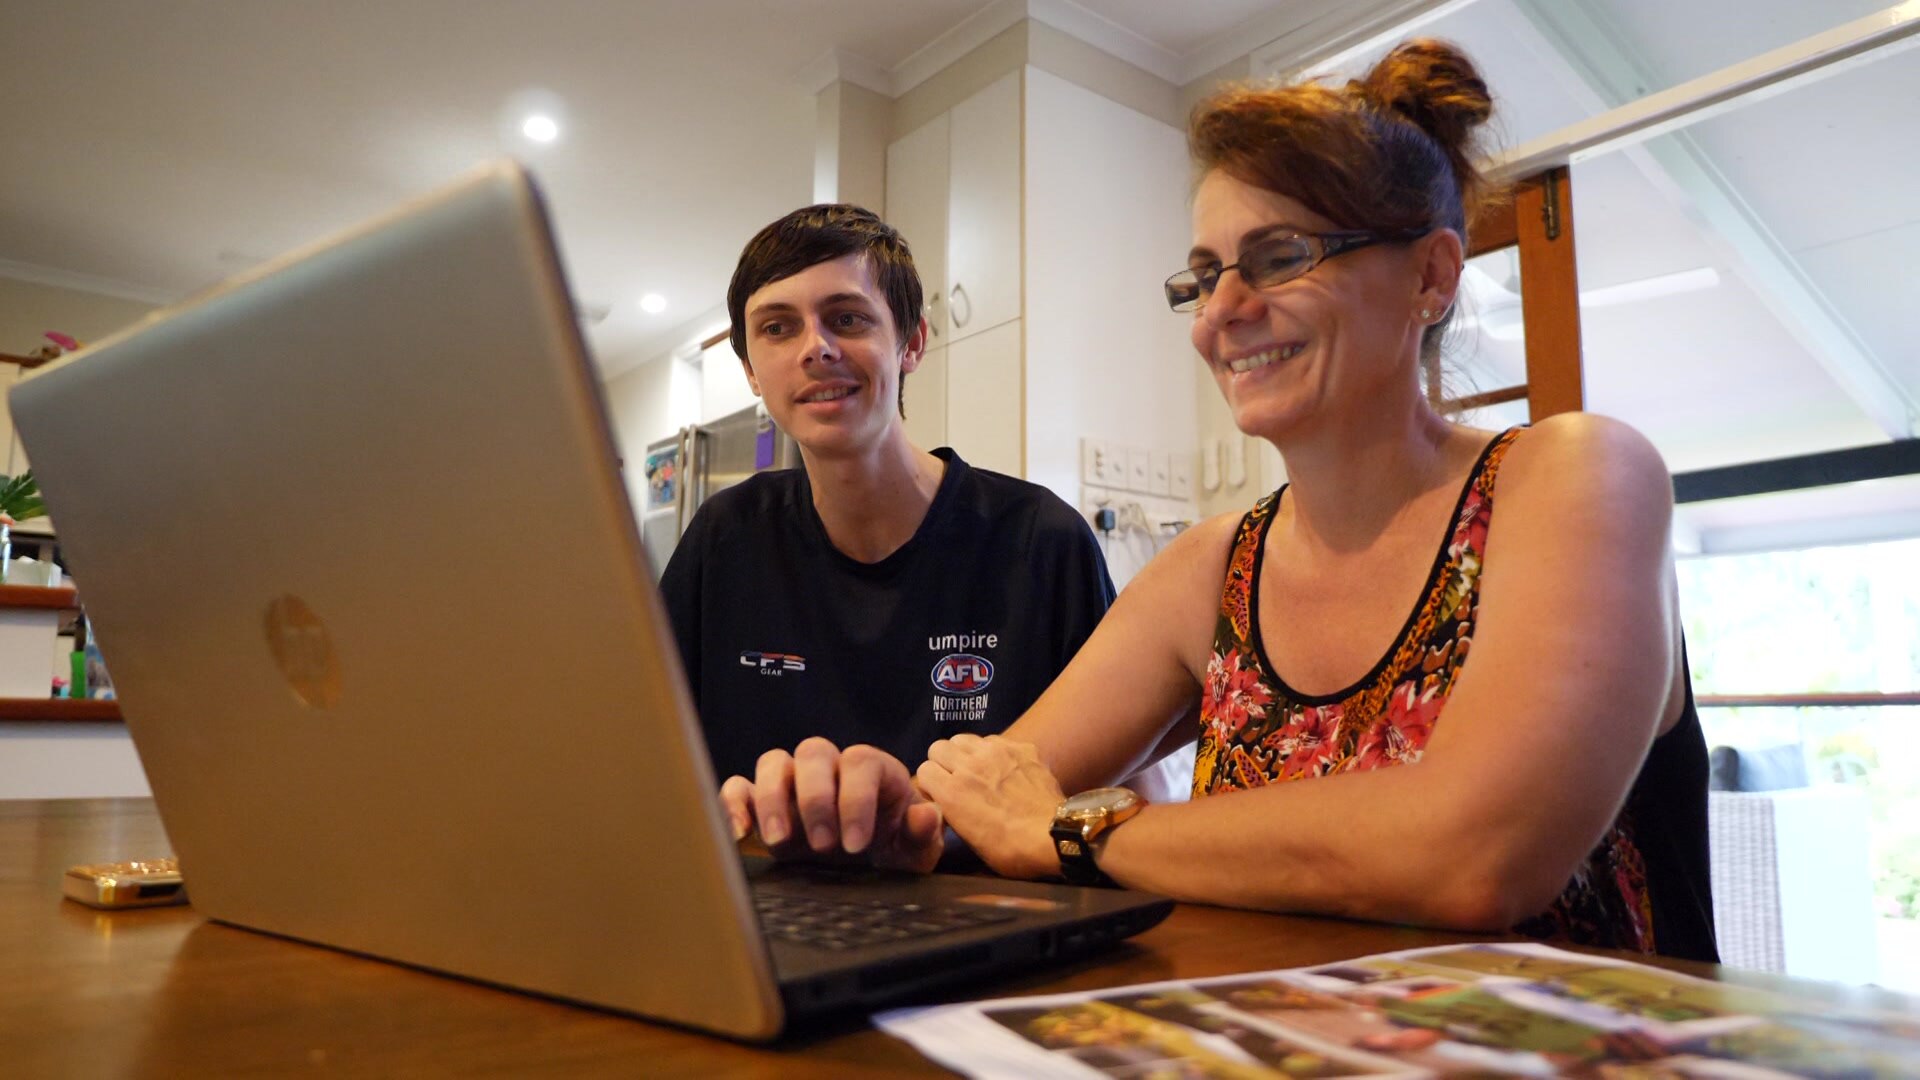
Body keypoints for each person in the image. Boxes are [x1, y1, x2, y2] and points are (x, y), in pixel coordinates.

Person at [719, 40, 1718, 960]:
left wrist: (1078, 829)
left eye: (1281, 256)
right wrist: (859, 811)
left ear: (1431, 274)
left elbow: (1474, 854)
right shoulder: (1213, 567)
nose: (1224, 312)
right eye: (1205, 275)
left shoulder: (1576, 478)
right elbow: (989, 793)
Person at [661, 205, 1168, 860]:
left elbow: (1131, 786)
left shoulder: (1039, 541)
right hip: (776, 917)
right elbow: (646, 762)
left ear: (913, 343)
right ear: (753, 372)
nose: (815, 347)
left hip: (989, 912)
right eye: (778, 327)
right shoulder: (726, 539)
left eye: (847, 318)